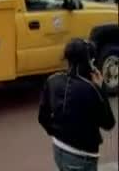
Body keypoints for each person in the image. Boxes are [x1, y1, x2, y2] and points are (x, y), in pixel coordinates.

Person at [38, 38, 116, 171]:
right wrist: (101, 89)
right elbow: (109, 123)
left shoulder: (53, 80)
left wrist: (57, 132)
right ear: (89, 63)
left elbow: (42, 117)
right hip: (82, 157)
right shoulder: (91, 90)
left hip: (58, 149)